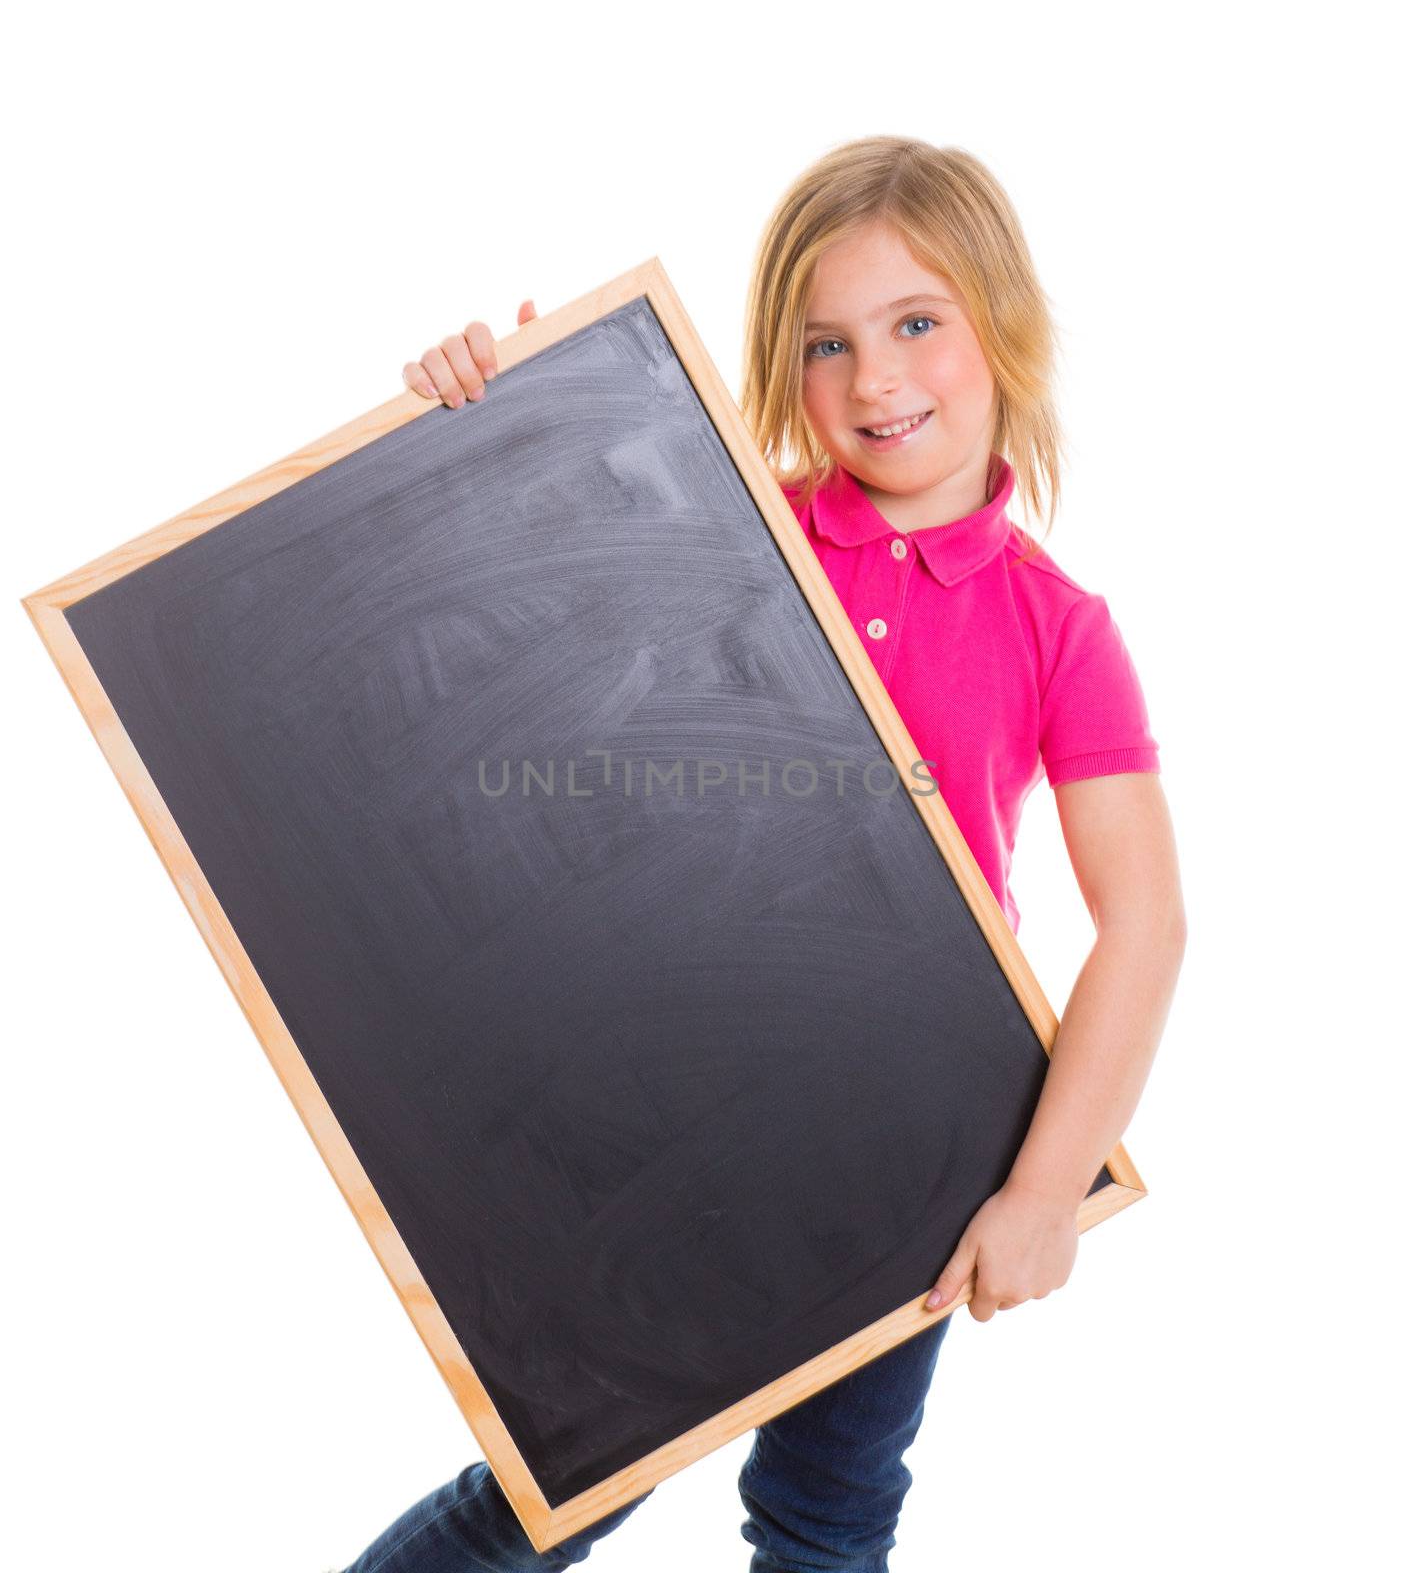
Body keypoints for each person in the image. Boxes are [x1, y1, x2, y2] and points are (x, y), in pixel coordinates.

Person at [339, 135, 1187, 1573]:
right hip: (657, 1110)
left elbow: (1144, 923)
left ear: (1005, 323)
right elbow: (524, 569)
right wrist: (495, 404)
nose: (875, 381)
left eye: (916, 323)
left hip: (899, 1151)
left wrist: (1042, 1193)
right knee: (555, 1493)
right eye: (824, 345)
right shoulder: (727, 518)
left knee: (828, 1513)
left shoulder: (1060, 625)